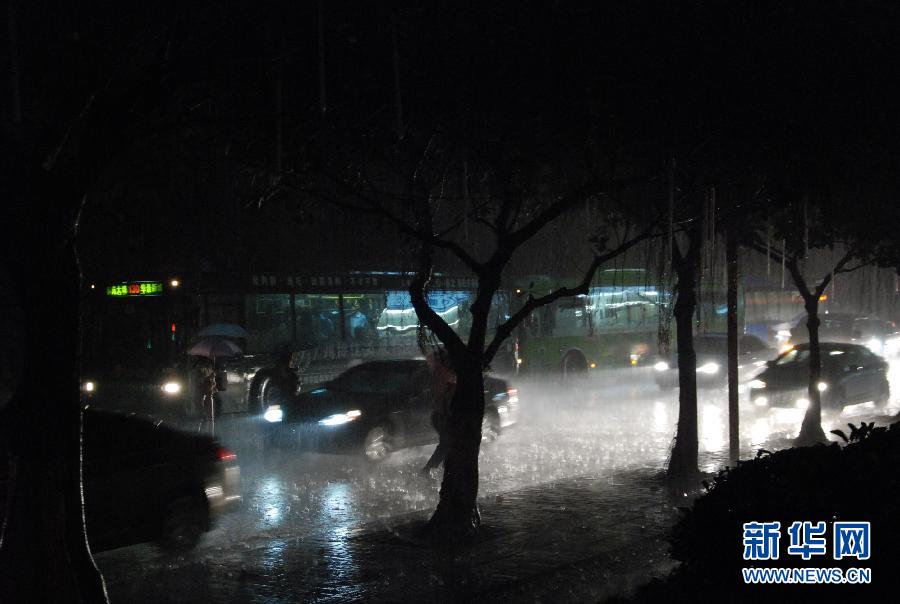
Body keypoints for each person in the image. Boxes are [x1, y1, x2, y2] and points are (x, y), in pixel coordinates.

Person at [422, 348, 456, 476]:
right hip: (443, 414)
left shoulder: (440, 372)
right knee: (447, 443)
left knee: (449, 444)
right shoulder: (444, 374)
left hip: (441, 414)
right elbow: (443, 395)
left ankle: (445, 470)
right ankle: (428, 470)